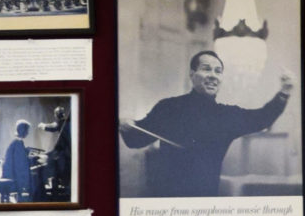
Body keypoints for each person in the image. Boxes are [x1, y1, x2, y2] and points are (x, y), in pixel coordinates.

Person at [118, 50, 295, 198]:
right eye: (206, 69)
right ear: (192, 74)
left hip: (205, 200)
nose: (213, 76)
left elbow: (262, 118)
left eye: (218, 71)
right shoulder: (168, 107)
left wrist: (284, 93)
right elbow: (136, 140)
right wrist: (126, 125)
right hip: (166, 198)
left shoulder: (227, 115)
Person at [0, 119, 37, 204]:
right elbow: (21, 164)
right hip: (11, 175)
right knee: (34, 179)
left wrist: (25, 151)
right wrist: (31, 159)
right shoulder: (18, 142)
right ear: (23, 130)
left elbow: (19, 159)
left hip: (9, 173)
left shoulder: (16, 142)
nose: (28, 133)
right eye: (27, 130)